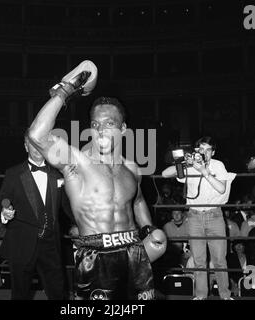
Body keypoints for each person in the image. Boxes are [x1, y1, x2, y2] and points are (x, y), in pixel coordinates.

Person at [27, 60, 167, 300]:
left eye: (109, 123)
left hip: (133, 250)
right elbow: (36, 135)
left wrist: (148, 228)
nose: (101, 130)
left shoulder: (132, 168)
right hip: (95, 254)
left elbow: (137, 201)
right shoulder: (76, 162)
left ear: (123, 129)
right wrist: (65, 91)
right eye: (95, 124)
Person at [0, 130, 75, 300]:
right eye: (33, 144)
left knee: (58, 292)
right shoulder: (13, 173)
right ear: (26, 146)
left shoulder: (58, 173)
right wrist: (4, 213)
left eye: (41, 144)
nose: (37, 148)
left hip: (51, 244)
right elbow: (3, 200)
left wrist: (81, 225)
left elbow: (68, 206)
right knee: (20, 294)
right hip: (22, 244)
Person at [162, 136, 234, 300]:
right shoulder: (190, 165)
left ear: (213, 152)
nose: (204, 152)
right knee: (199, 260)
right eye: (201, 149)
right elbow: (165, 174)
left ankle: (225, 295)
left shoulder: (218, 165)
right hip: (194, 216)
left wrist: (204, 172)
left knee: (219, 259)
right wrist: (182, 162)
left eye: (208, 149)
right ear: (197, 151)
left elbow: (221, 188)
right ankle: (201, 295)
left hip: (214, 215)